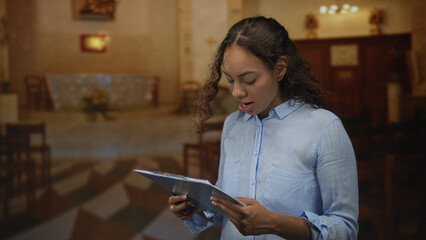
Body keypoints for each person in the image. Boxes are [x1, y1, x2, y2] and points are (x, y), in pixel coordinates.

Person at [169, 16, 358, 240]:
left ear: (279, 69)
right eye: (230, 80)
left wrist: (273, 223)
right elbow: (225, 209)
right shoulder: (233, 125)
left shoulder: (324, 128)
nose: (237, 92)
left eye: (248, 80)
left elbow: (345, 229)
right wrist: (195, 209)